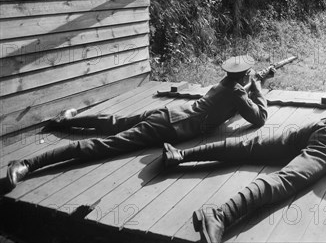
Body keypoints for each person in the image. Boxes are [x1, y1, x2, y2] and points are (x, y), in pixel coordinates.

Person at [162, 58, 326, 243]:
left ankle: (181, 155)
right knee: (286, 180)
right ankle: (219, 215)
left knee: (250, 147)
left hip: (324, 126)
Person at [6, 55, 270, 190]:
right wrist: (258, 87)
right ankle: (28, 164)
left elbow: (228, 109)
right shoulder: (237, 92)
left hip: (169, 112)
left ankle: (64, 121)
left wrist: (249, 87)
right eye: (249, 75)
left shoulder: (224, 85)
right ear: (245, 75)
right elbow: (259, 118)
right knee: (106, 145)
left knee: (112, 122)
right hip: (170, 126)